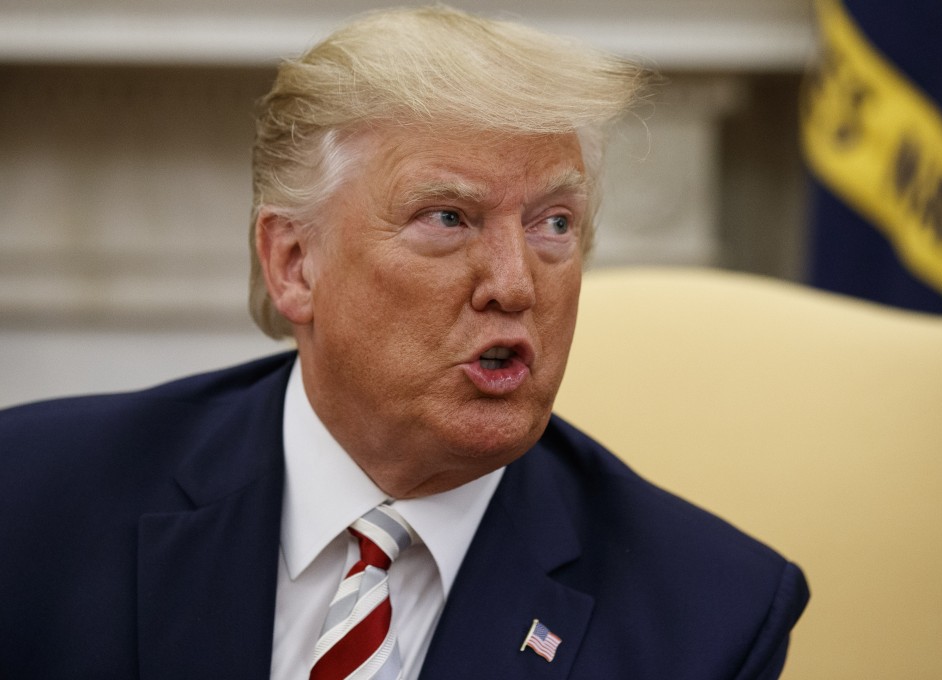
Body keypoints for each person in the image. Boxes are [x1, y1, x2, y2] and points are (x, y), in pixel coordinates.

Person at [0, 6, 808, 679]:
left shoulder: (710, 617)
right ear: (294, 264)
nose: (515, 284)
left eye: (552, 224)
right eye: (447, 219)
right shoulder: (34, 500)